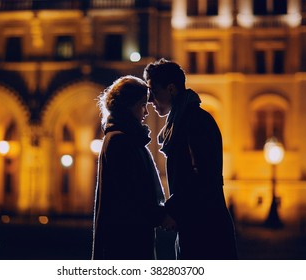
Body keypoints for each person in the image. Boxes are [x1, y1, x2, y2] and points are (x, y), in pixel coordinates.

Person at [143, 58, 238, 260]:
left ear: (171, 89)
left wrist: (172, 210)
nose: (150, 100)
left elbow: (203, 177)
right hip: (195, 222)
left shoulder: (195, 121)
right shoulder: (183, 121)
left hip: (206, 227)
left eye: (153, 91)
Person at [92, 75, 167, 260]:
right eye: (143, 105)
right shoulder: (120, 140)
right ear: (129, 105)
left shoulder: (125, 138)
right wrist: (161, 216)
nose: (146, 112)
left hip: (127, 239)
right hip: (125, 243)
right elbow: (130, 195)